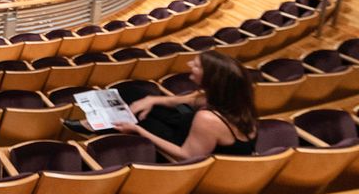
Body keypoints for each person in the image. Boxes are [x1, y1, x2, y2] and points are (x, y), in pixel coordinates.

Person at [64, 51, 257, 160]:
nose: (190, 64)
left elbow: (186, 156)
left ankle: (94, 126)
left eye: (196, 65)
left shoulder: (208, 119)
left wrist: (139, 132)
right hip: (193, 133)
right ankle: (99, 123)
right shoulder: (231, 98)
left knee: (140, 121)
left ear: (210, 77)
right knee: (134, 92)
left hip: (187, 152)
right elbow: (188, 100)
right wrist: (153, 100)